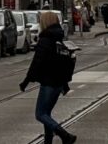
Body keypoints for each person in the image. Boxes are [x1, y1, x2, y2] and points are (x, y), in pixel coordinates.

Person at [20, 11, 78, 144]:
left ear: (44, 22)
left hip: (48, 83)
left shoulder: (45, 39)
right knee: (47, 113)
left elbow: (37, 62)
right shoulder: (59, 39)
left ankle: (65, 135)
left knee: (40, 114)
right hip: (59, 84)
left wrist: (26, 81)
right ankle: (48, 141)